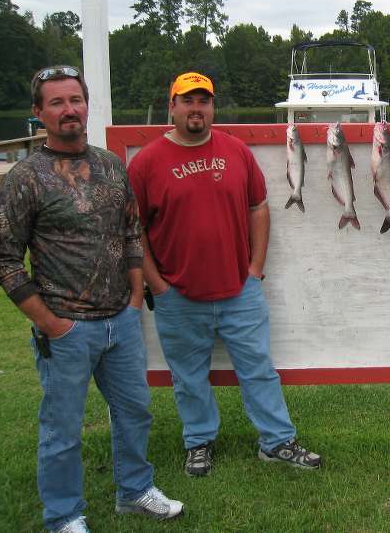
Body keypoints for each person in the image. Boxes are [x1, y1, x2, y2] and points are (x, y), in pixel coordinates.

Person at [0, 66, 183, 533]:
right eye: (56, 103)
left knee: (135, 412)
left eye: (75, 100)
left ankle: (135, 491)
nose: (69, 110)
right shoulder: (25, 178)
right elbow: (3, 259)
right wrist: (51, 323)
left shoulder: (111, 166)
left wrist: (136, 297)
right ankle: (64, 516)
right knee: (62, 431)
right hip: (66, 328)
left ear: (86, 105)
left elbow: (131, 230)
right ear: (39, 114)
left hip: (122, 321)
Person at [128, 72, 321, 477]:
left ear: (212, 107)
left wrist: (255, 269)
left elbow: (259, 208)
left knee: (259, 371)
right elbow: (134, 230)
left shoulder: (236, 151)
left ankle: (277, 441)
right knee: (188, 378)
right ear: (172, 106)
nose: (196, 108)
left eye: (204, 101)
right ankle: (198, 442)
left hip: (240, 292)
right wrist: (157, 284)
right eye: (188, 101)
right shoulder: (146, 162)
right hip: (177, 295)